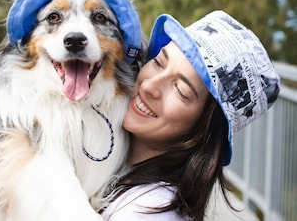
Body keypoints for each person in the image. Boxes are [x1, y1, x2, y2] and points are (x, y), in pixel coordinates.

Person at [100, 11, 280, 221]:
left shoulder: (148, 212)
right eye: (158, 62)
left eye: (181, 90)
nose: (149, 86)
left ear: (204, 128)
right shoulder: (113, 170)